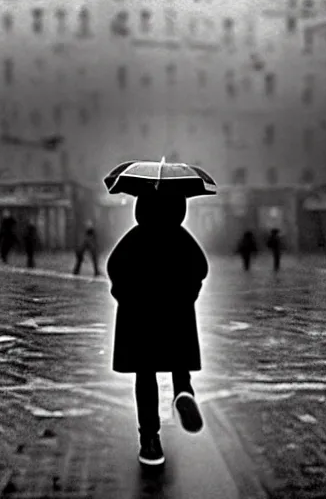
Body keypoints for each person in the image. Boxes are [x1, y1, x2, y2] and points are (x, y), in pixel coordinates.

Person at [106, 191, 207, 467]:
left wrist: (124, 296)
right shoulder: (181, 237)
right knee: (178, 359)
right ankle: (182, 390)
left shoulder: (136, 237)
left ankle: (150, 441)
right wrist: (188, 294)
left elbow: (114, 267)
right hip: (176, 314)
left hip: (140, 318)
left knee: (145, 375)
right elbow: (201, 267)